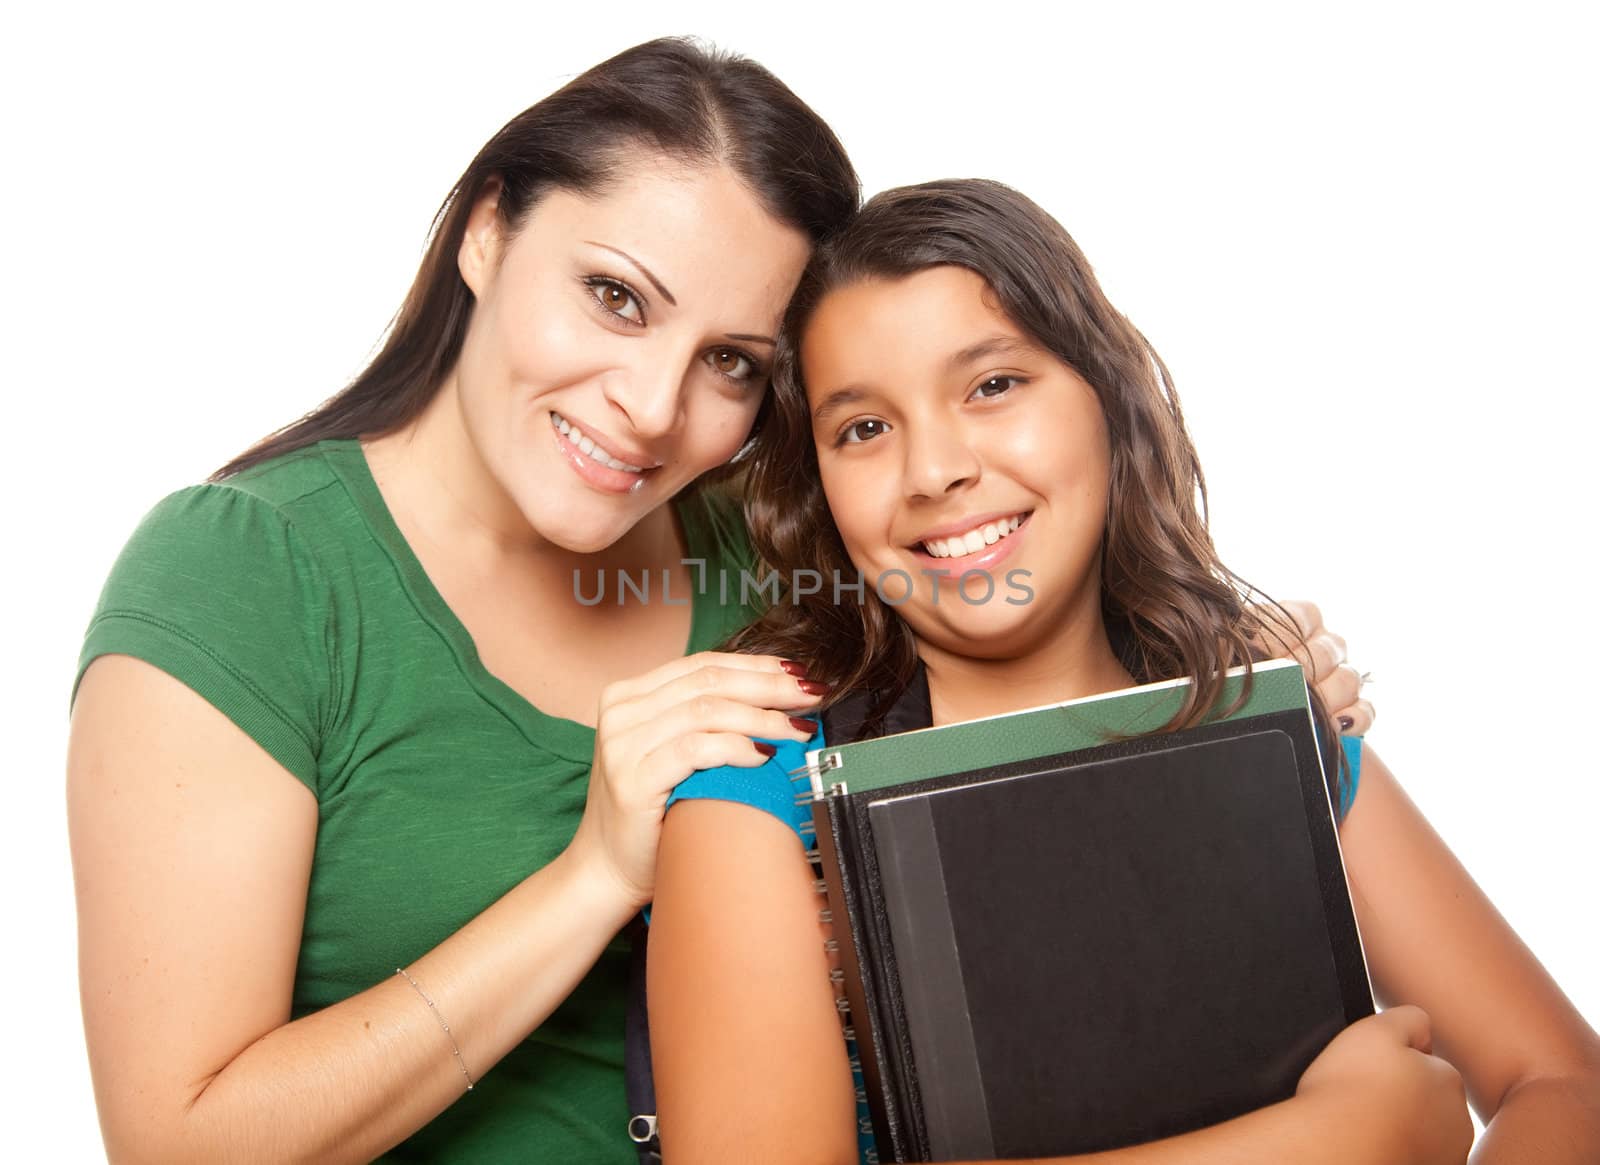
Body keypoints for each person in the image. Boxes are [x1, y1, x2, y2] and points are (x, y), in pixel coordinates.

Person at [65, 39, 1362, 1164]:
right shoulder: (246, 572)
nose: (650, 406)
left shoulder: (780, 552)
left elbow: (1032, 647)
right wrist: (593, 875)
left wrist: (1229, 668)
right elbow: (181, 1138)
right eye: (615, 298)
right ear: (487, 231)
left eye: (731, 364)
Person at [648, 180, 1600, 1164]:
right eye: (863, 428)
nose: (932, 469)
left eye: (991, 385)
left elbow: (1562, 1081)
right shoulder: (759, 790)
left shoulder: (1269, 718)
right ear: (821, 490)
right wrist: (1334, 1139)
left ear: (1109, 401)